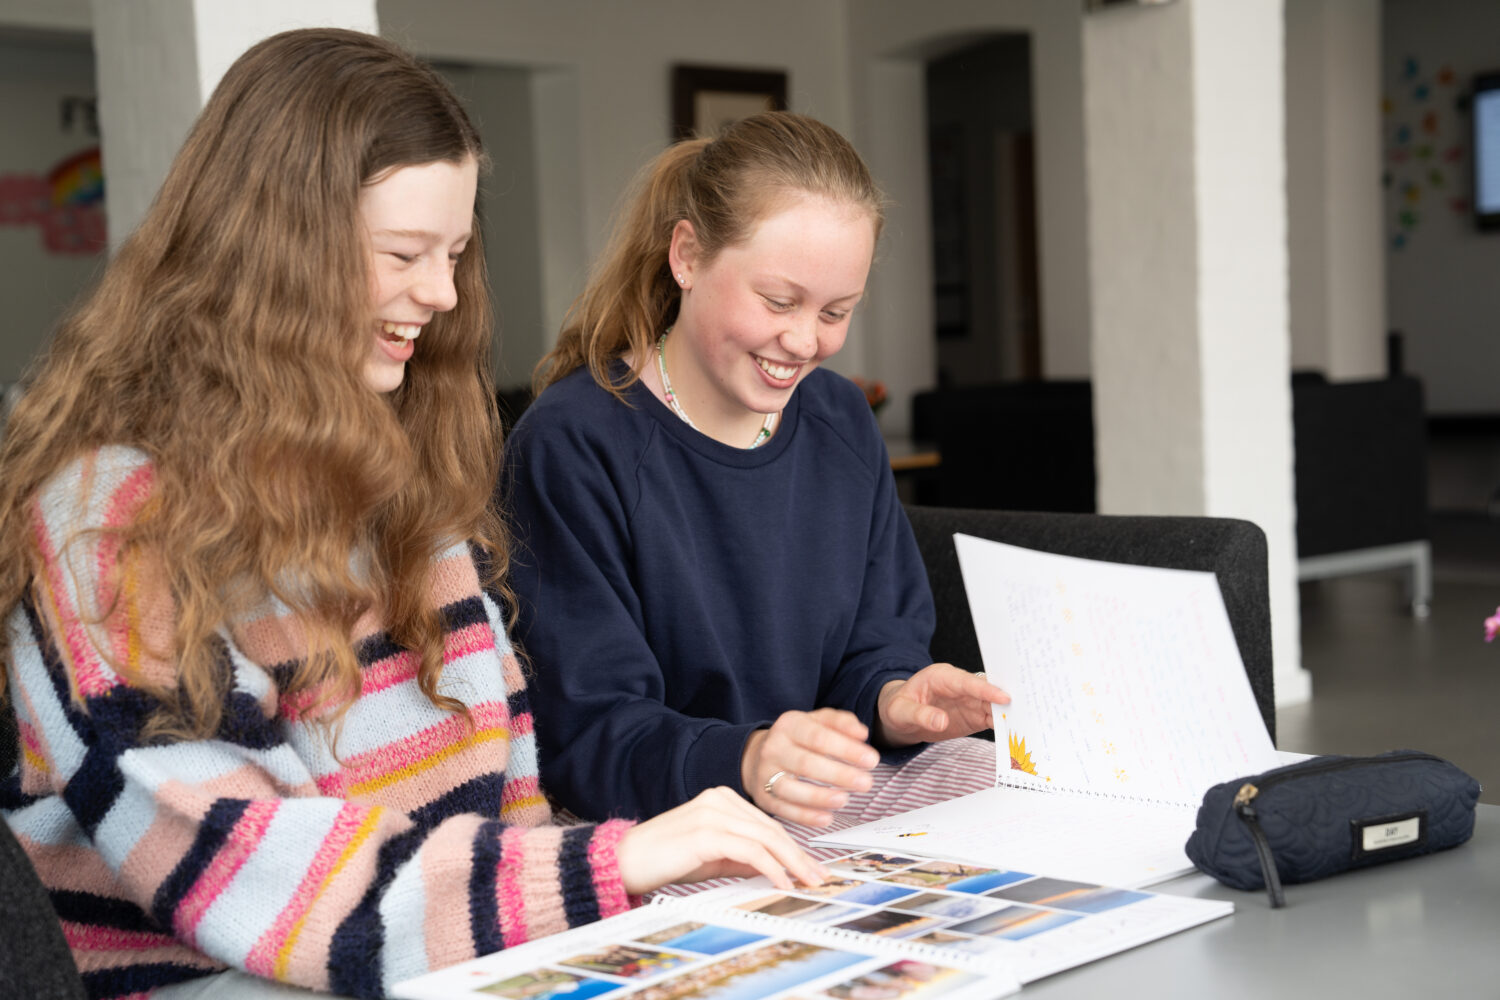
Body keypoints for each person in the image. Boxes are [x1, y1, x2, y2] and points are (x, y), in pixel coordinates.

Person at [0, 30, 823, 1000]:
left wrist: (616, 903)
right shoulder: (106, 519)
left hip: (434, 963)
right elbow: (259, 880)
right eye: (404, 253)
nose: (441, 293)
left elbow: (505, 790)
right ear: (278, 252)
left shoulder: (394, 474)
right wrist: (613, 863)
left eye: (457, 253)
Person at [502, 111, 1010, 834]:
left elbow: (875, 646)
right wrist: (746, 759)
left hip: (831, 807)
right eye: (779, 301)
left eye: (838, 311)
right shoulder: (573, 443)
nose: (805, 341)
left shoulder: (839, 418)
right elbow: (585, 734)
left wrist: (896, 699)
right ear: (686, 255)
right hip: (660, 826)